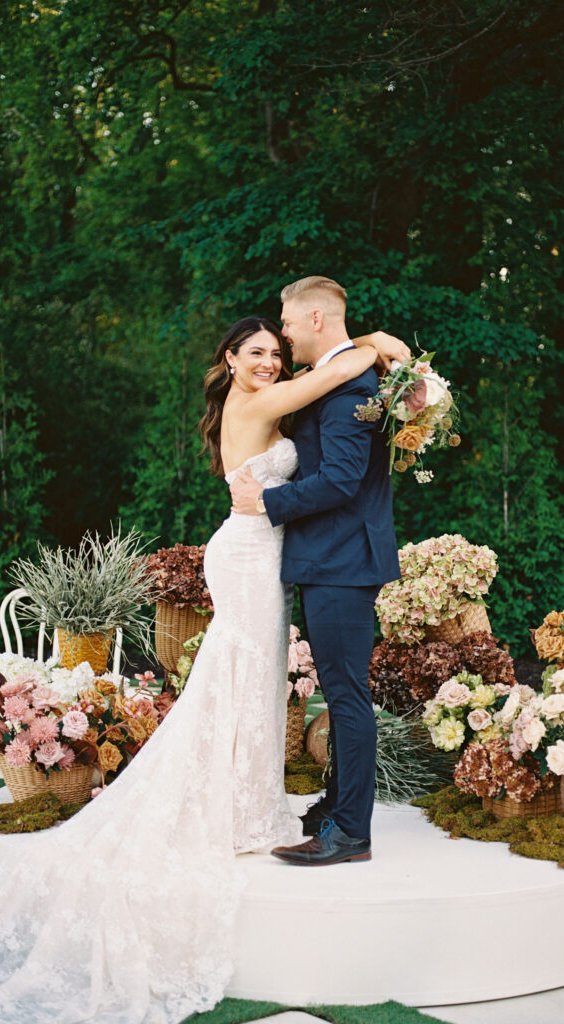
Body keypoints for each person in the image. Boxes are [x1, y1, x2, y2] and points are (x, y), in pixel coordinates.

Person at [0, 312, 407, 1024]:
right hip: (248, 553)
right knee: (239, 675)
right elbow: (334, 372)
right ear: (232, 360)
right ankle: (232, 802)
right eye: (257, 353)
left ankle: (249, 796)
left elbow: (324, 388)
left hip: (267, 553)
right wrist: (378, 346)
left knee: (251, 679)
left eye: (276, 353)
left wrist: (377, 374)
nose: (271, 363)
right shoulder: (254, 402)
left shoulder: (273, 398)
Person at [230, 276, 401, 866]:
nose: (284, 332)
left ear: (318, 321)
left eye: (289, 322)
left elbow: (341, 481)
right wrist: (375, 340)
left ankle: (351, 832)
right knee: (340, 692)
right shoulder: (341, 377)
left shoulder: (350, 384)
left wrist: (269, 504)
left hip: (342, 562)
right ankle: (334, 809)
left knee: (347, 697)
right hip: (331, 560)